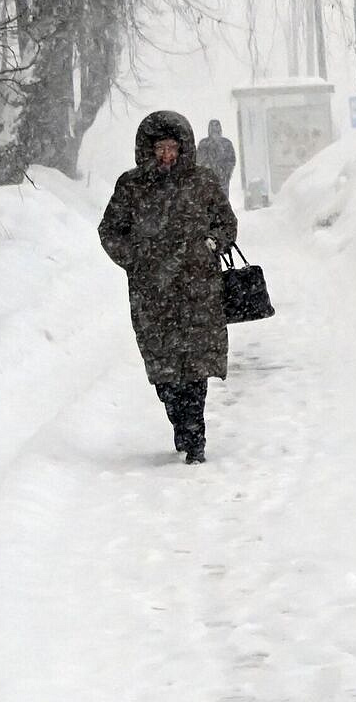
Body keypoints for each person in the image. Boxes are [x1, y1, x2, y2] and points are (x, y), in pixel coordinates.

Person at [98, 111, 238, 464]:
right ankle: (179, 420)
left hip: (198, 290)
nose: (166, 155)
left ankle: (195, 436)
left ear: (183, 147)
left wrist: (211, 243)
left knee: (195, 368)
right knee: (165, 373)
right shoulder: (132, 186)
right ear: (148, 149)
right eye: (159, 148)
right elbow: (110, 230)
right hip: (152, 294)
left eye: (172, 148)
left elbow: (226, 222)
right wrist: (135, 259)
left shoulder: (203, 182)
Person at [197, 118, 237, 195]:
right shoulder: (204, 144)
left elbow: (232, 160)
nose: (215, 132)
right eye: (213, 129)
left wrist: (225, 172)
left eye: (216, 129)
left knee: (222, 199)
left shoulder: (226, 143)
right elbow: (199, 161)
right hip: (207, 181)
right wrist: (206, 171)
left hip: (223, 180)